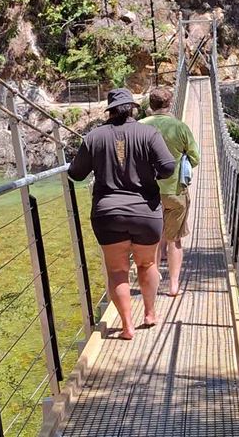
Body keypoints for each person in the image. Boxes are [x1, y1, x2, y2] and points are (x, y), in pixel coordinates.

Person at [68, 88, 176, 340]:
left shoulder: (94, 137)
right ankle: (149, 314)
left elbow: (76, 174)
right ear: (133, 109)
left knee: (117, 271)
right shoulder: (149, 133)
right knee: (147, 263)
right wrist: (153, 175)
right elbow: (169, 166)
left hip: (108, 213)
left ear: (110, 110)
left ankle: (126, 327)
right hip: (145, 212)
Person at [140, 86, 200, 297]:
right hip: (175, 192)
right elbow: (195, 158)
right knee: (174, 240)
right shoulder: (180, 127)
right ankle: (174, 285)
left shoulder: (139, 127)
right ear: (170, 104)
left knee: (154, 239)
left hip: (146, 194)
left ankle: (154, 283)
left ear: (150, 105)